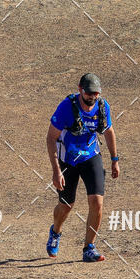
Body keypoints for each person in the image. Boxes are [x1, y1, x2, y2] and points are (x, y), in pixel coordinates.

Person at [46, 73, 120, 263]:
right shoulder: (66, 107)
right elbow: (51, 138)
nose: (92, 98)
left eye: (95, 94)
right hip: (67, 160)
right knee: (66, 206)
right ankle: (55, 231)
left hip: (90, 156)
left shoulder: (102, 107)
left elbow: (108, 131)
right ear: (80, 89)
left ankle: (89, 248)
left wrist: (114, 159)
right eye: (89, 94)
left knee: (97, 202)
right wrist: (56, 171)